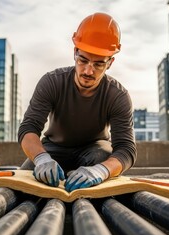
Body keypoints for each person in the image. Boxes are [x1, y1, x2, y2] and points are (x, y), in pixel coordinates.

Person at [18, 12, 136, 192]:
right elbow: (28, 128)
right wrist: (41, 159)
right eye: (83, 60)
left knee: (102, 156)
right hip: (53, 148)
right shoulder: (52, 82)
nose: (88, 71)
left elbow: (126, 149)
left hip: (95, 150)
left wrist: (103, 170)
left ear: (110, 63)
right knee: (24, 183)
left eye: (98, 64)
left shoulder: (117, 96)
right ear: (75, 52)